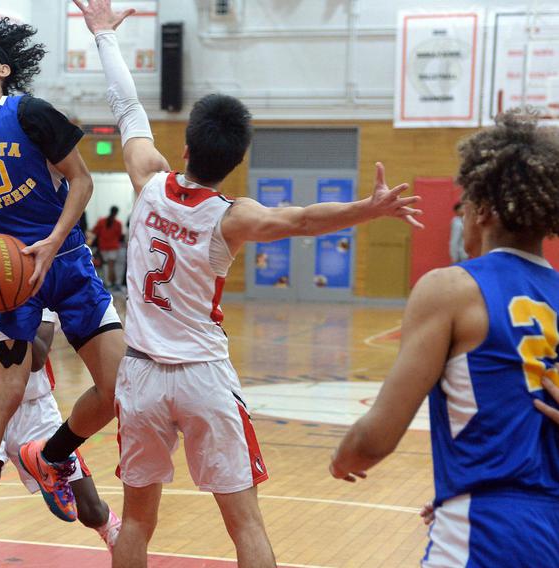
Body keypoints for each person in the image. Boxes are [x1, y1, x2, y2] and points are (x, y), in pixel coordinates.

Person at [72, 1, 423, 566]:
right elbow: (304, 220)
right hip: (202, 379)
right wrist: (369, 207)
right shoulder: (231, 217)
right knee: (246, 525)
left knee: (137, 519)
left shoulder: (148, 180)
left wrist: (104, 36)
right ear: (235, 162)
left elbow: (127, 106)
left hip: (139, 377)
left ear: (185, 148)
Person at [0, 18, 126, 567]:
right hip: (9, 280)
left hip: (65, 264)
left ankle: (53, 455)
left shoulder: (30, 113)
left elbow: (82, 182)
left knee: (118, 389)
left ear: (2, 69)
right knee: (6, 391)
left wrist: (52, 241)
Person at [329, 110, 559, 567]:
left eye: (467, 203)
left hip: (487, 529)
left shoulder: (450, 289)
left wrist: (344, 458)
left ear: (485, 209)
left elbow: (375, 439)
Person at [0, 292, 121, 559]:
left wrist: (6, 309)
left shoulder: (33, 285)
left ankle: (118, 539)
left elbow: (37, 359)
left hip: (34, 410)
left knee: (89, 509)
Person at [92, 206, 123, 288]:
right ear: (116, 213)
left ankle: (108, 282)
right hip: (113, 247)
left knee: (105, 264)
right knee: (112, 265)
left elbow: (94, 231)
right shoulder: (118, 223)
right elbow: (119, 236)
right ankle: (114, 282)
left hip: (103, 246)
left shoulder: (101, 221)